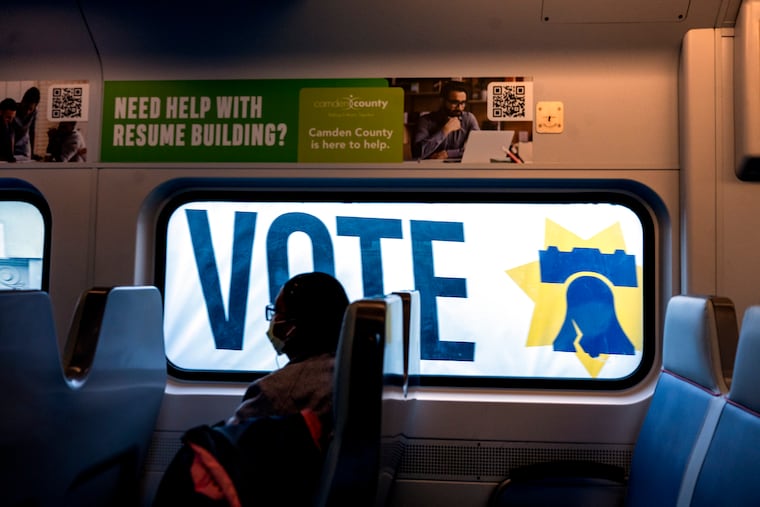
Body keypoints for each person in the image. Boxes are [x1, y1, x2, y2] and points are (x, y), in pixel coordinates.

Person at [228, 271, 350, 425]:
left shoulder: (274, 392)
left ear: (295, 325)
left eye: (277, 312)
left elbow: (231, 442)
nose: (273, 320)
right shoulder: (353, 373)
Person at [413, 80, 480, 160]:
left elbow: (478, 149)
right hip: (430, 169)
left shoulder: (469, 118)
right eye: (454, 103)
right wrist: (445, 130)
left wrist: (448, 154)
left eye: (463, 103)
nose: (459, 107)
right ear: (442, 101)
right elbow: (417, 153)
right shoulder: (425, 120)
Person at [13, 87, 40, 162]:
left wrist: (32, 152)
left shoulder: (34, 112)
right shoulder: (13, 111)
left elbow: (32, 131)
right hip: (10, 144)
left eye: (30, 109)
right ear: (22, 101)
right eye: (25, 107)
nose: (27, 111)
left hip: (24, 145)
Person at [0, 98, 17, 163]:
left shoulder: (10, 125)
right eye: (8, 117)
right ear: (0, 112)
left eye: (12, 117)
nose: (10, 120)